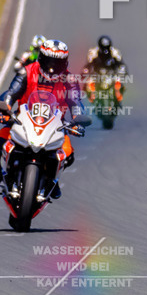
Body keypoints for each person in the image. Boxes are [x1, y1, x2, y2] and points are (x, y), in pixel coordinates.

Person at [0, 39, 89, 201]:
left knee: (68, 153)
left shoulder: (69, 81)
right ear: (41, 58)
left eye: (57, 63)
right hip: (22, 120)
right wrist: (5, 107)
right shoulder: (26, 72)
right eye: (49, 61)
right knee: (1, 138)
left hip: (54, 126)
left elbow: (76, 102)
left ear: (65, 63)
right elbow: (11, 93)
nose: (52, 67)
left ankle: (51, 181)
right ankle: (5, 174)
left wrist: (77, 119)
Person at [82, 35, 128, 106]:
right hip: (97, 73)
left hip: (111, 73)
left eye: (107, 48)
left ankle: (118, 97)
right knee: (88, 82)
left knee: (119, 81)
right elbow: (88, 64)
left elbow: (121, 64)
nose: (105, 51)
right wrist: (85, 71)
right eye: (103, 48)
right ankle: (91, 98)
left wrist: (122, 72)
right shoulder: (93, 52)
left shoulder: (115, 52)